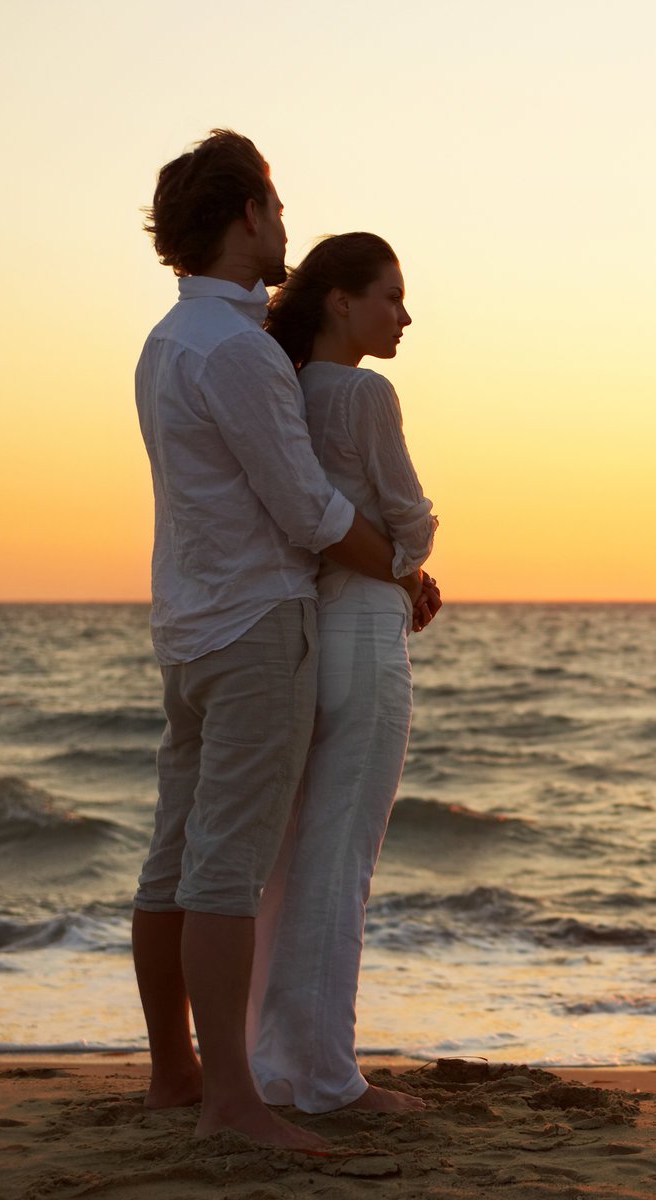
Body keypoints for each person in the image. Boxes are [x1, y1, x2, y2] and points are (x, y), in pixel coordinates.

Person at [131, 131, 425, 1150]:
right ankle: (232, 1101)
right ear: (248, 214)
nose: (287, 229)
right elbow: (305, 508)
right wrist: (403, 567)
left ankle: (176, 1074)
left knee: (174, 861)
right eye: (277, 206)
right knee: (230, 868)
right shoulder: (239, 352)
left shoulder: (170, 342)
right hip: (258, 625)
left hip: (187, 624)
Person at [249, 232, 440, 1114]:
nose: (404, 315)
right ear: (340, 300)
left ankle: (277, 1063)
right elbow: (409, 520)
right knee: (340, 863)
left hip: (312, 631)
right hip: (365, 635)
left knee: (294, 858)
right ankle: (326, 1076)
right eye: (390, 296)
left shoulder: (283, 390)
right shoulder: (366, 393)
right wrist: (411, 564)